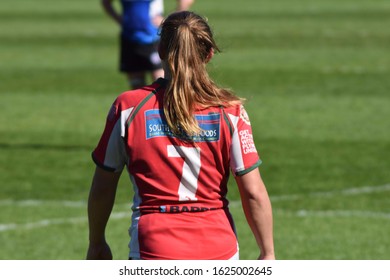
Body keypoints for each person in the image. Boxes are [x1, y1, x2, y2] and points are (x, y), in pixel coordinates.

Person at [86, 11, 275, 260]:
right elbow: (253, 192)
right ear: (208, 55)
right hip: (219, 250)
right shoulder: (230, 111)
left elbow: (103, 184)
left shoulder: (129, 107)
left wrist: (97, 242)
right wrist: (268, 252)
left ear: (161, 50)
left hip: (154, 249)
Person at [101, 0, 195, 89]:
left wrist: (169, 21)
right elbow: (106, 3)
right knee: (136, 86)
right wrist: (119, 19)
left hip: (153, 39)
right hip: (129, 39)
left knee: (163, 86)